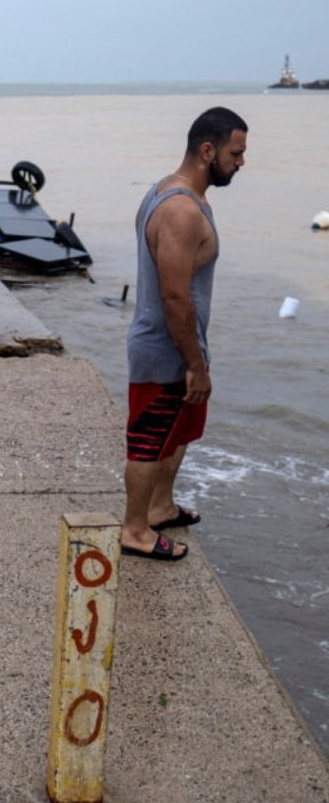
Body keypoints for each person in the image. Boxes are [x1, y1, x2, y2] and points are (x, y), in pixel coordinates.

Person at [121, 107, 248, 562]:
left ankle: (159, 507)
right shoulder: (179, 210)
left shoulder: (171, 193)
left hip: (181, 344)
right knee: (149, 439)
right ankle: (135, 530)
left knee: (179, 432)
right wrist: (195, 364)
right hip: (165, 347)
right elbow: (174, 297)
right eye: (236, 153)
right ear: (207, 150)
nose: (241, 162)